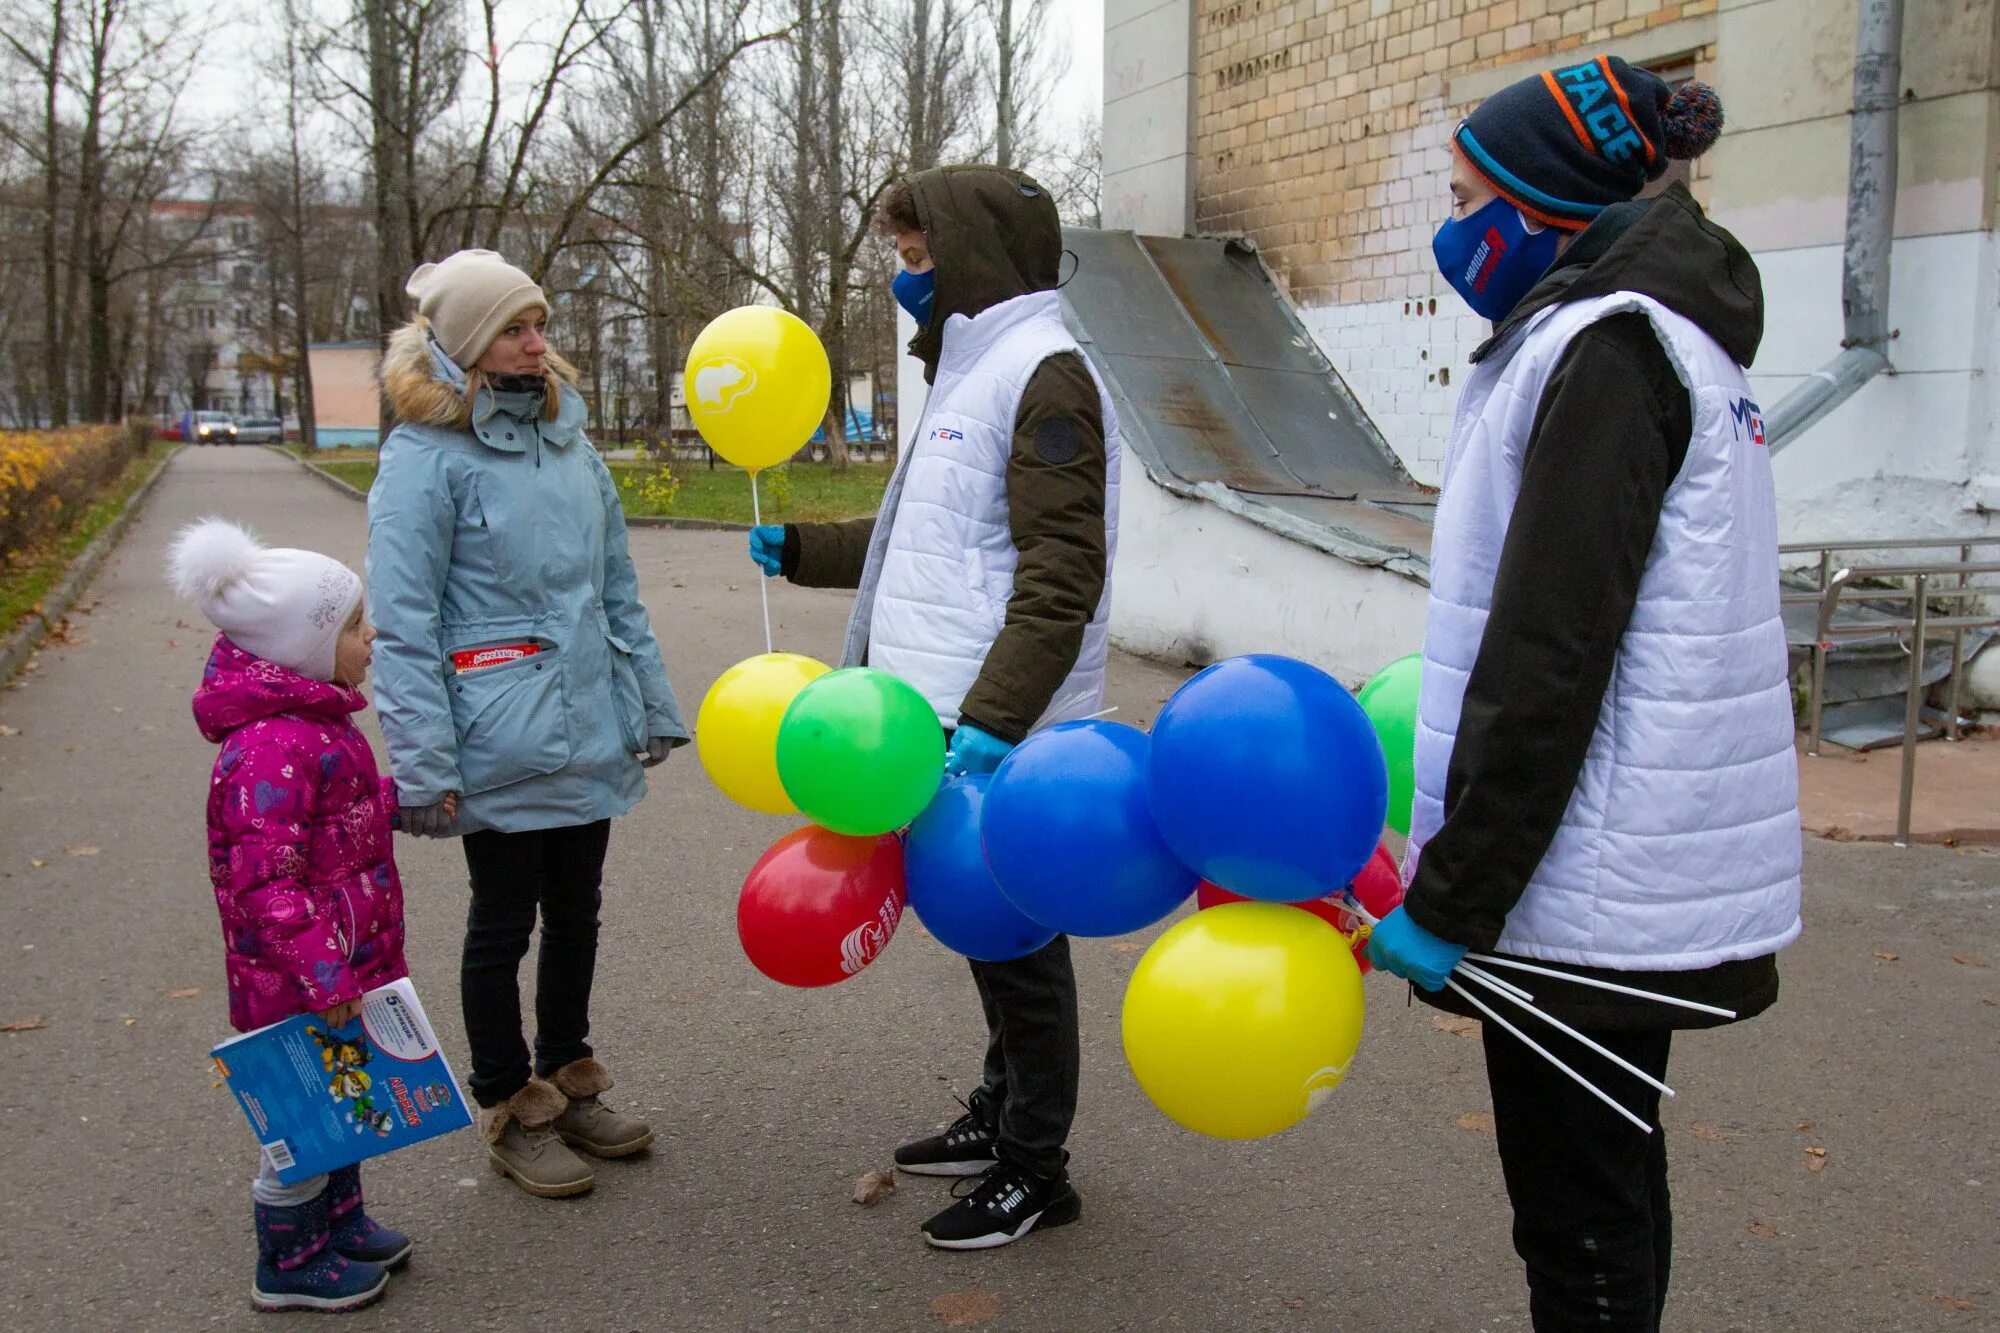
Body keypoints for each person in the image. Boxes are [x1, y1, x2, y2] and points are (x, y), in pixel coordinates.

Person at [1364, 60, 1802, 1331]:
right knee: (1604, 1179)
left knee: (1575, 1214)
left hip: (1586, 881)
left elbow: (1548, 654)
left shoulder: (1606, 349)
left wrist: (1452, 899)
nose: (1446, 231)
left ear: (1537, 208)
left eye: (1459, 200)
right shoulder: (1648, 336)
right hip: (1614, 860)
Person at [748, 165, 1118, 1250]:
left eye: (916, 259)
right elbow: (927, 533)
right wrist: (810, 551)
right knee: (981, 934)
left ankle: (1036, 1167)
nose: (904, 280)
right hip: (941, 718)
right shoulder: (971, 368)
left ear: (971, 254)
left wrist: (996, 724)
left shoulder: (1043, 373)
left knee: (1018, 944)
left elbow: (1061, 572)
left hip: (994, 727)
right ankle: (1002, 1114)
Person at [368, 249, 689, 1200]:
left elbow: (616, 590)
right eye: (516, 327)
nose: (538, 342)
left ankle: (570, 1075)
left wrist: (652, 702)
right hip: (495, 735)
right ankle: (511, 1104)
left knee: (578, 912)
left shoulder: (572, 443)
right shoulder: (423, 458)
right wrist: (425, 762)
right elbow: (404, 618)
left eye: (540, 323)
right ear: (467, 344)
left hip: (587, 720)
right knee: (501, 922)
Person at [172, 518, 418, 1314]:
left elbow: (328, 832)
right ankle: (288, 1259)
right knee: (298, 1121)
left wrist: (391, 802)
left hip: (341, 966)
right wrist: (324, 974)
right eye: (352, 625)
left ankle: (339, 1223)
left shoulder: (315, 724)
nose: (369, 634)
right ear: (298, 646)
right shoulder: (272, 747)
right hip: (300, 982)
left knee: (342, 1103)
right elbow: (267, 886)